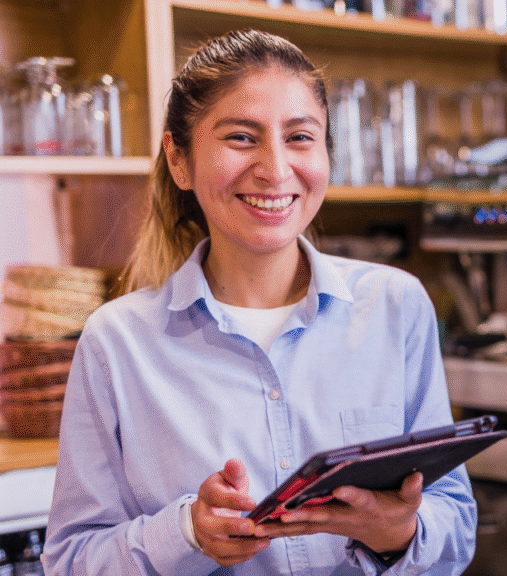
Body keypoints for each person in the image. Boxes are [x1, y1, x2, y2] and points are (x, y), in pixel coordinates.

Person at [42, 29, 477, 576]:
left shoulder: (396, 305)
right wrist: (185, 534)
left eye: (299, 137)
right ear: (179, 161)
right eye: (242, 137)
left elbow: (456, 529)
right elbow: (70, 562)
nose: (275, 169)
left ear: (325, 155)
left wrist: (399, 534)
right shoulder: (116, 340)